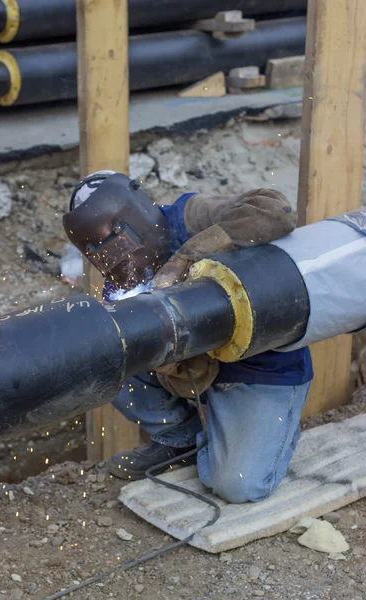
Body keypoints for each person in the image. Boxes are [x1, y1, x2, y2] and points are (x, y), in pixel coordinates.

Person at [63, 171, 313, 504]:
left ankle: (253, 432)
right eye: (101, 254)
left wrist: (183, 259)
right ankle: (178, 437)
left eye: (116, 245)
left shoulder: (189, 216)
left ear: (133, 218)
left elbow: (273, 210)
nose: (115, 262)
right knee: (103, 341)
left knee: (237, 484)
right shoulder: (122, 279)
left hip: (260, 368)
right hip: (201, 370)